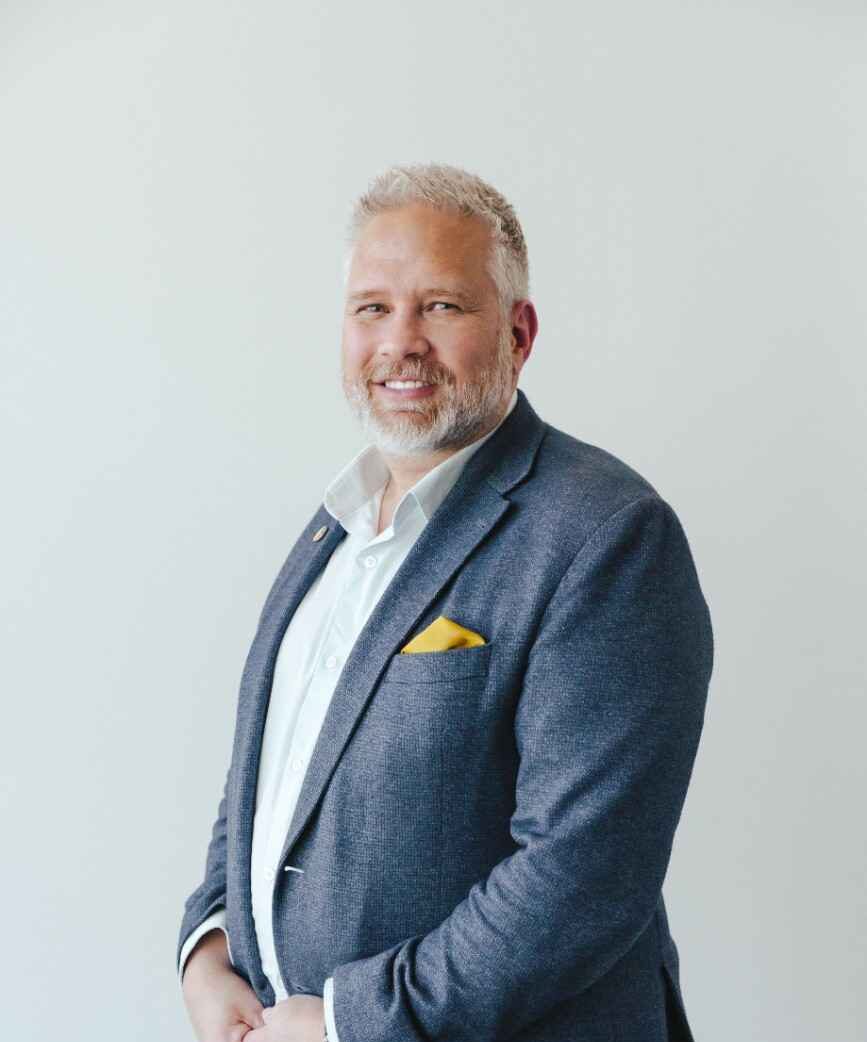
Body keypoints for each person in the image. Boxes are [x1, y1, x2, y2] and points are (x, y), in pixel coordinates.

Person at [177, 162, 714, 1042]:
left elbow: (581, 878)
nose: (400, 342)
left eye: (441, 306)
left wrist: (352, 1021)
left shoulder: (605, 536)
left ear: (518, 332)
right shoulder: (334, 533)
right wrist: (210, 945)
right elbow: (269, 781)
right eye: (371, 308)